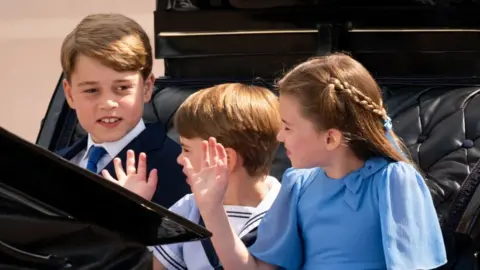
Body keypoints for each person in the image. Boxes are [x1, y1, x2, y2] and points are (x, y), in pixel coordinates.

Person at [181, 54, 448, 269]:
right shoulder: (298, 185)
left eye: (287, 127)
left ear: (330, 138)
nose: (279, 136)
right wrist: (212, 209)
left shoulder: (393, 181)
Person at [104, 83, 282, 270]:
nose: (180, 159)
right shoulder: (188, 208)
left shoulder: (283, 212)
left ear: (226, 159)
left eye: (186, 149)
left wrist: (211, 209)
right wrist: (133, 213)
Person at [56, 13, 189, 208]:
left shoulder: (180, 169)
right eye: (91, 90)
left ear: (146, 88)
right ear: (70, 94)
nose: (108, 103)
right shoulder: (53, 164)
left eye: (122, 88)